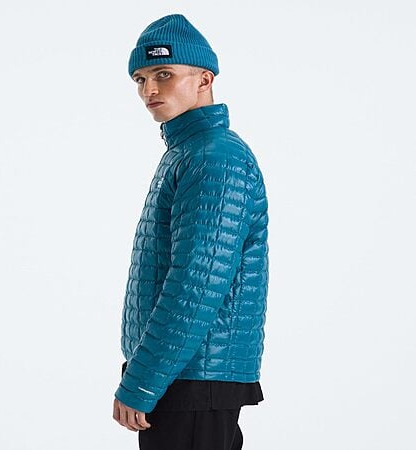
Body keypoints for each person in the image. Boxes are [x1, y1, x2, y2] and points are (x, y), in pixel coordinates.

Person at [112, 13, 269, 450]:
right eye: (140, 79)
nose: (149, 90)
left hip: (193, 379)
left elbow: (196, 285)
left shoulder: (214, 157)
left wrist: (143, 379)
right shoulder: (189, 152)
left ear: (204, 79)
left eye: (163, 74)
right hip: (183, 375)